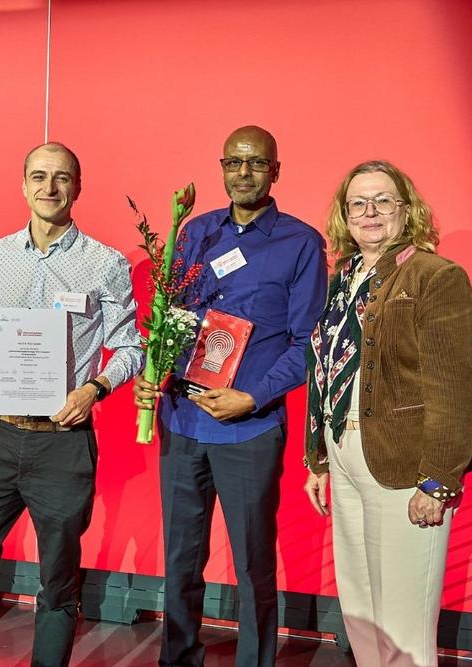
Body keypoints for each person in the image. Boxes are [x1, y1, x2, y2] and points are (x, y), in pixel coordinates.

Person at [134, 125, 327, 666]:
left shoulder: (301, 243)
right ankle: (177, 658)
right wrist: (156, 371)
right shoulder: (194, 233)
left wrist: (253, 397)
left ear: (275, 171)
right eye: (233, 163)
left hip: (249, 428)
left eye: (256, 163)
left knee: (251, 564)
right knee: (181, 559)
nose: (244, 173)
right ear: (222, 168)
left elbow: (307, 343)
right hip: (183, 421)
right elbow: (173, 319)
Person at [0, 142, 144, 666]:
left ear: (77, 187)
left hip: (62, 443)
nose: (49, 187)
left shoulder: (105, 263)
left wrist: (94, 389)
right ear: (24, 185)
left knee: (57, 583)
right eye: (38, 176)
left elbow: (131, 348)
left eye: (61, 178)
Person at [302, 160, 472, 666]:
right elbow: (324, 369)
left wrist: (439, 480)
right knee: (362, 615)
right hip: (345, 453)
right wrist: (318, 459)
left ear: (407, 210)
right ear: (345, 215)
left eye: (383, 201)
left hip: (403, 463)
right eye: (358, 203)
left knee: (403, 628)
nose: (370, 212)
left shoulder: (435, 276)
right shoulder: (342, 280)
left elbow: (452, 388)